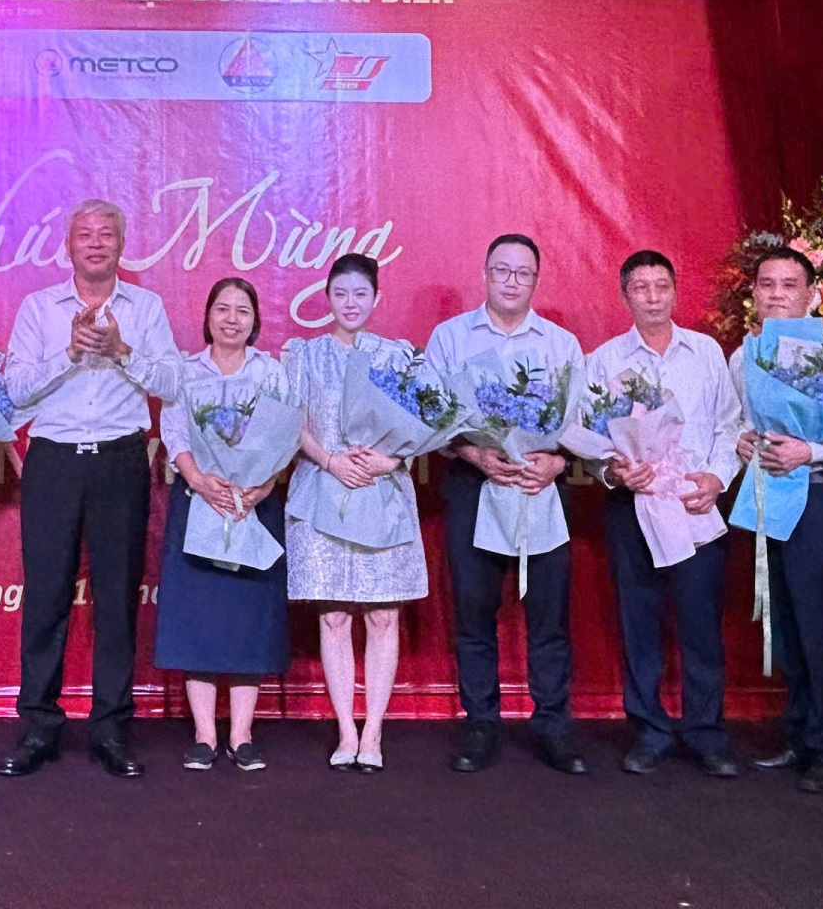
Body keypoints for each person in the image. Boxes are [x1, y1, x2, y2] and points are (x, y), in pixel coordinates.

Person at [0, 199, 181, 778]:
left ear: (122, 245)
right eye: (85, 234)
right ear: (68, 245)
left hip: (120, 461)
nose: (96, 243)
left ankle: (110, 728)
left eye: (106, 234)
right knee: (45, 596)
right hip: (53, 461)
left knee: (117, 597)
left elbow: (173, 382)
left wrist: (124, 353)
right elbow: (15, 389)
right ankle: (39, 725)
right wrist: (71, 353)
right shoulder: (39, 307)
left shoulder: (146, 308)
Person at [425, 233, 587, 776]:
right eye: (502, 270)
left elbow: (582, 421)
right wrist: (474, 452)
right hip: (476, 483)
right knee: (473, 613)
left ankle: (553, 726)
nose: (511, 281)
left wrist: (558, 461)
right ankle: (481, 723)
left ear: (536, 280)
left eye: (523, 273)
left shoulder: (561, 344)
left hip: (541, 486)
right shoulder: (450, 338)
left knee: (549, 616)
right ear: (485, 274)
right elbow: (431, 415)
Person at [582, 250, 742, 778]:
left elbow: (728, 425)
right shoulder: (604, 360)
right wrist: (613, 470)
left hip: (694, 503)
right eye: (640, 287)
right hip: (633, 504)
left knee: (701, 624)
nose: (652, 297)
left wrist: (716, 479)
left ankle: (706, 733)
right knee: (640, 622)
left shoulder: (706, 352)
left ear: (675, 291)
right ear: (624, 295)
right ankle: (649, 731)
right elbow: (589, 438)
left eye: (661, 286)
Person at [732, 247, 823, 795]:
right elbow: (736, 422)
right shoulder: (744, 356)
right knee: (785, 626)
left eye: (788, 284)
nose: (776, 294)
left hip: (819, 498)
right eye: (766, 284)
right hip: (768, 497)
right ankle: (799, 735)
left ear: (812, 294)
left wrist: (810, 451)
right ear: (754, 294)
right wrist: (743, 441)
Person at [284, 253, 425, 773]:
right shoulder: (304, 356)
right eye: (340, 294)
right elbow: (294, 422)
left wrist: (392, 459)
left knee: (384, 616)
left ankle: (374, 732)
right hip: (324, 488)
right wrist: (330, 460)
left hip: (382, 490)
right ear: (327, 298)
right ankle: (346, 731)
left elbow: (423, 422)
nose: (350, 303)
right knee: (335, 616)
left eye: (360, 294)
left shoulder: (398, 356)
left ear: (376, 298)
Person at [154, 277, 293, 771]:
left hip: (254, 506)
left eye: (242, 311)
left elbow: (286, 436)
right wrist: (198, 480)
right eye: (223, 309)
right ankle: (204, 734)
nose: (232, 319)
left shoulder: (271, 372)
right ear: (208, 316)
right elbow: (174, 431)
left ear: (255, 321)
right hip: (199, 500)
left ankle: (242, 734)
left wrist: (263, 485)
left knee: (246, 617)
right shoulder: (186, 372)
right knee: (200, 617)